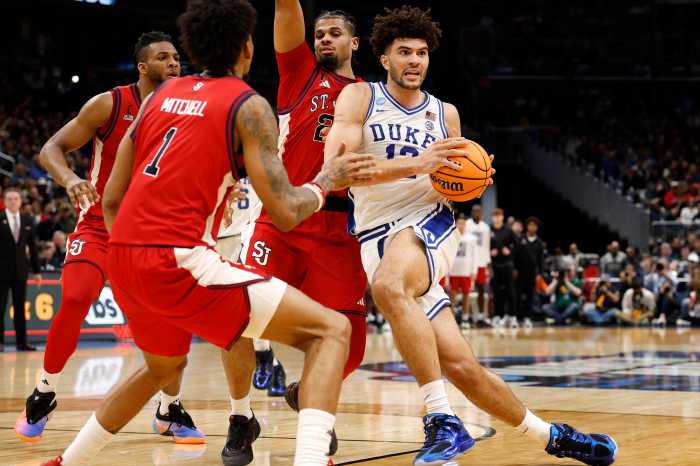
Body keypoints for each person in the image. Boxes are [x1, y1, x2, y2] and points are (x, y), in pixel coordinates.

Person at [39, 1, 376, 465]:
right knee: (331, 331)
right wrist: (325, 181)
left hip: (124, 254)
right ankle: (308, 456)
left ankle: (65, 461)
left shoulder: (158, 96)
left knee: (162, 366)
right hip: (183, 256)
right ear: (246, 48)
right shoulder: (247, 104)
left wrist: (134, 255)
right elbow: (283, 209)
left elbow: (112, 198)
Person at [326, 5, 617, 466]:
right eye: (405, 52)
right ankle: (555, 437)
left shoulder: (446, 114)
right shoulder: (360, 99)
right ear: (384, 58)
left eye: (422, 53)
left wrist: (474, 178)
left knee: (386, 286)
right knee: (463, 368)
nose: (415, 61)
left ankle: (441, 421)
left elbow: (455, 186)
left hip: (429, 224)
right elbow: (337, 174)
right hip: (375, 236)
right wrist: (416, 164)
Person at [14, 31, 205, 445]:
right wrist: (69, 179)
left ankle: (168, 409)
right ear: (142, 66)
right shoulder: (110, 103)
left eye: (176, 57)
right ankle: (45, 391)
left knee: (172, 320)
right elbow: (51, 148)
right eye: (163, 57)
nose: (174, 63)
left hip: (155, 231)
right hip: (101, 224)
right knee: (79, 295)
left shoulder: (188, 107)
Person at [228, 2, 370, 460]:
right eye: (319, 33)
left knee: (350, 344)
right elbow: (287, 6)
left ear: (355, 43)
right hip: (284, 214)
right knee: (239, 315)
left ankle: (313, 402)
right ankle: (239, 417)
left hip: (342, 227)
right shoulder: (301, 72)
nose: (324, 39)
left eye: (334, 33)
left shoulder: (372, 95)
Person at [0, 187, 40, 352]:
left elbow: (33, 247)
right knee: (0, 307)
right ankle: (0, 342)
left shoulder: (27, 220)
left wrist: (37, 271)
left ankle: (21, 342)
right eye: (9, 199)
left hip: (20, 271)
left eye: (16, 198)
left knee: (19, 307)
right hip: (0, 272)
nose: (13, 201)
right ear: (4, 201)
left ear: (21, 201)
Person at [514, 216, 545, 328]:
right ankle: (517, 318)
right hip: (520, 272)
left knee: (530, 297)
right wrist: (514, 269)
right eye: (530, 225)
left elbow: (541, 261)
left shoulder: (539, 243)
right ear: (527, 226)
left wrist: (539, 274)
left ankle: (527, 318)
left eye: (534, 225)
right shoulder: (520, 239)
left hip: (532, 274)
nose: (532, 227)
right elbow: (515, 256)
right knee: (517, 295)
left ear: (536, 228)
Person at [447, 215, 477, 327]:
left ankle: (465, 318)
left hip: (466, 272)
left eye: (463, 224)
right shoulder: (450, 237)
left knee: (466, 294)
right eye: (459, 223)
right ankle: (452, 319)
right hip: (453, 271)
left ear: (466, 225)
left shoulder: (471, 238)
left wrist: (474, 270)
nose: (461, 225)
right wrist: (447, 272)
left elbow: (475, 256)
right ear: (456, 224)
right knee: (452, 295)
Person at [490, 208, 518, 327]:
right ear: (492, 218)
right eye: (495, 216)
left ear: (502, 217)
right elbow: (484, 247)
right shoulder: (489, 230)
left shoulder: (508, 230)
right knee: (497, 292)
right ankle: (498, 316)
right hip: (494, 266)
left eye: (499, 215)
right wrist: (490, 251)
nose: (497, 218)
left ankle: (512, 317)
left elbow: (517, 246)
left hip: (507, 265)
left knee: (511, 291)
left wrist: (510, 251)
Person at [466, 204, 491, 324]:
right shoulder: (466, 225)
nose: (476, 213)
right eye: (474, 211)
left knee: (481, 289)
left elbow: (487, 247)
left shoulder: (485, 227)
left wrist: (488, 264)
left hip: (481, 262)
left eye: (479, 211)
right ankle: (468, 315)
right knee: (467, 290)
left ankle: (481, 316)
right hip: (468, 262)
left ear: (482, 214)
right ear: (471, 212)